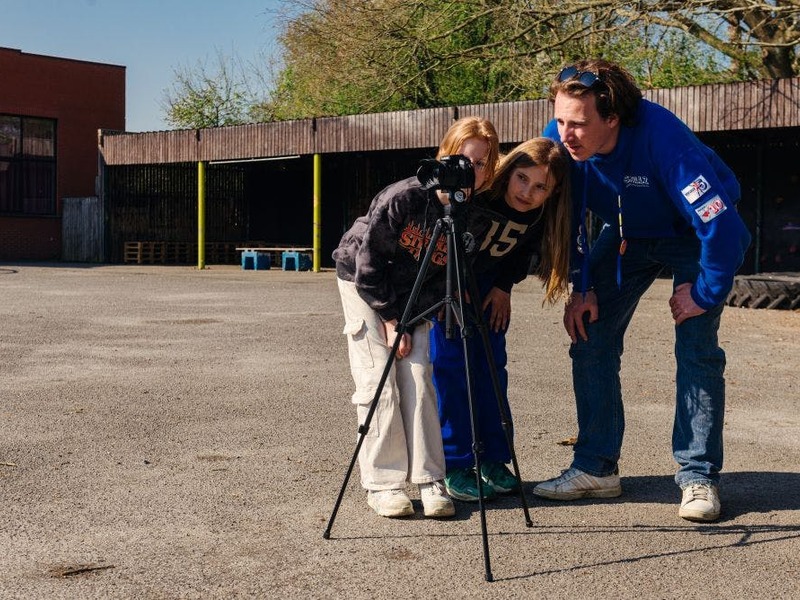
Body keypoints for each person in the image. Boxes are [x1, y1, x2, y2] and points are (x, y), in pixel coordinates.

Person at [536, 59, 751, 522]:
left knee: (696, 347)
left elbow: (725, 228)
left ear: (613, 118)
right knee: (588, 334)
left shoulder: (664, 139)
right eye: (560, 120)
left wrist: (705, 293)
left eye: (578, 124)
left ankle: (698, 476)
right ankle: (596, 467)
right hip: (625, 233)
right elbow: (563, 219)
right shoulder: (561, 141)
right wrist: (581, 284)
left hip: (691, 234)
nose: (565, 134)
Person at [332, 116, 500, 518]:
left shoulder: (473, 217)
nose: (469, 170)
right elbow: (369, 266)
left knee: (420, 378)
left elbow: (444, 277)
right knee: (379, 380)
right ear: (443, 157)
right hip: (364, 283)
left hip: (415, 294)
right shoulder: (404, 197)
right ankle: (383, 483)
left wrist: (411, 320)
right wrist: (393, 320)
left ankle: (429, 478)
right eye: (461, 160)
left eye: (480, 164)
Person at [431, 138, 572, 502]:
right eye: (522, 179)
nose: (527, 192)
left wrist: (503, 286)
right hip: (450, 294)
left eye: (540, 187)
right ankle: (455, 463)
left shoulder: (539, 215)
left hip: (488, 297)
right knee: (452, 376)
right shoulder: (480, 195)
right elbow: (437, 237)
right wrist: (447, 285)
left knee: (492, 374)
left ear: (553, 192)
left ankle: (493, 459)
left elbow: (520, 254)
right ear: (509, 172)